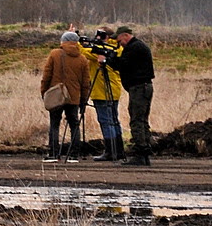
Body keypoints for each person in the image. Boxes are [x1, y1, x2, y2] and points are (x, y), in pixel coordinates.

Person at [39, 31, 91, 163]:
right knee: (74, 124)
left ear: (63, 41)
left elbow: (46, 76)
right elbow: (86, 83)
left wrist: (44, 92)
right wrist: (83, 100)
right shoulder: (83, 59)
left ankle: (54, 154)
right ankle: (74, 155)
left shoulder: (55, 54)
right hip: (74, 97)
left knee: (54, 124)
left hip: (57, 95)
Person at [111, 25, 155, 166]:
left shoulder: (134, 48)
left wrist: (107, 60)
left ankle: (140, 153)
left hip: (139, 88)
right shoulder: (138, 47)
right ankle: (144, 152)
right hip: (142, 87)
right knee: (142, 120)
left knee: (137, 120)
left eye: (119, 40)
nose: (119, 44)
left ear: (125, 35)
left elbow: (123, 64)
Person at [84, 27, 124, 161]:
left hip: (102, 91)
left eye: (101, 35)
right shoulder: (118, 48)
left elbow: (82, 51)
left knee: (106, 121)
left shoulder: (102, 52)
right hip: (114, 90)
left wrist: (73, 38)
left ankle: (110, 151)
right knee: (114, 120)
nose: (97, 37)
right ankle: (119, 151)